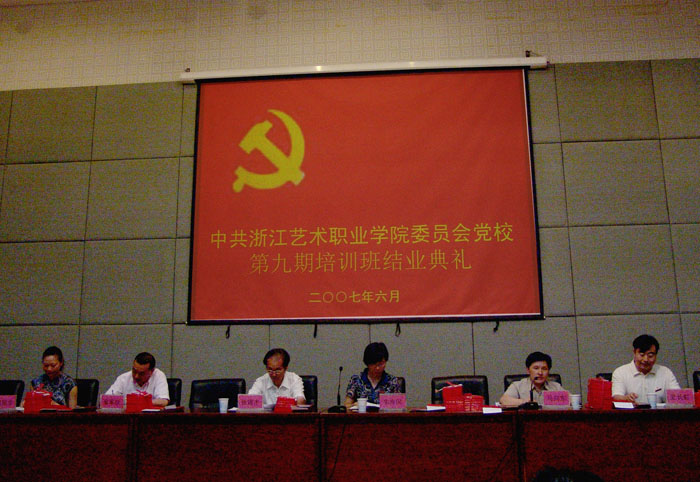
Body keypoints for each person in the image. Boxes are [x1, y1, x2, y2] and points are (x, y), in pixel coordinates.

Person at [612, 334, 680, 404]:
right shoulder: (620, 372)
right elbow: (616, 396)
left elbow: (677, 397)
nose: (645, 359)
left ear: (656, 355)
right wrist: (626, 398)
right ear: (634, 352)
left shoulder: (665, 372)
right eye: (642, 355)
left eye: (650, 356)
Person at [344, 342, 402, 408]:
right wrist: (356, 405)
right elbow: (347, 405)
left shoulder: (392, 381)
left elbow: (400, 406)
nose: (377, 368)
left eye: (381, 364)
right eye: (374, 364)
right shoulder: (356, 380)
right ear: (367, 363)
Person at [500, 351, 565, 407]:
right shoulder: (517, 386)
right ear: (528, 370)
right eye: (536, 368)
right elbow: (504, 401)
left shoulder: (556, 387)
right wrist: (524, 402)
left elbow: (570, 401)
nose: (540, 373)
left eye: (544, 369)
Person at [106, 352, 170, 406]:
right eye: (134, 371)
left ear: (151, 371)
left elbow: (163, 401)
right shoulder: (123, 378)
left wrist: (138, 402)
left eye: (141, 373)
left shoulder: (158, 375)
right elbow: (106, 400)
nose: (136, 376)